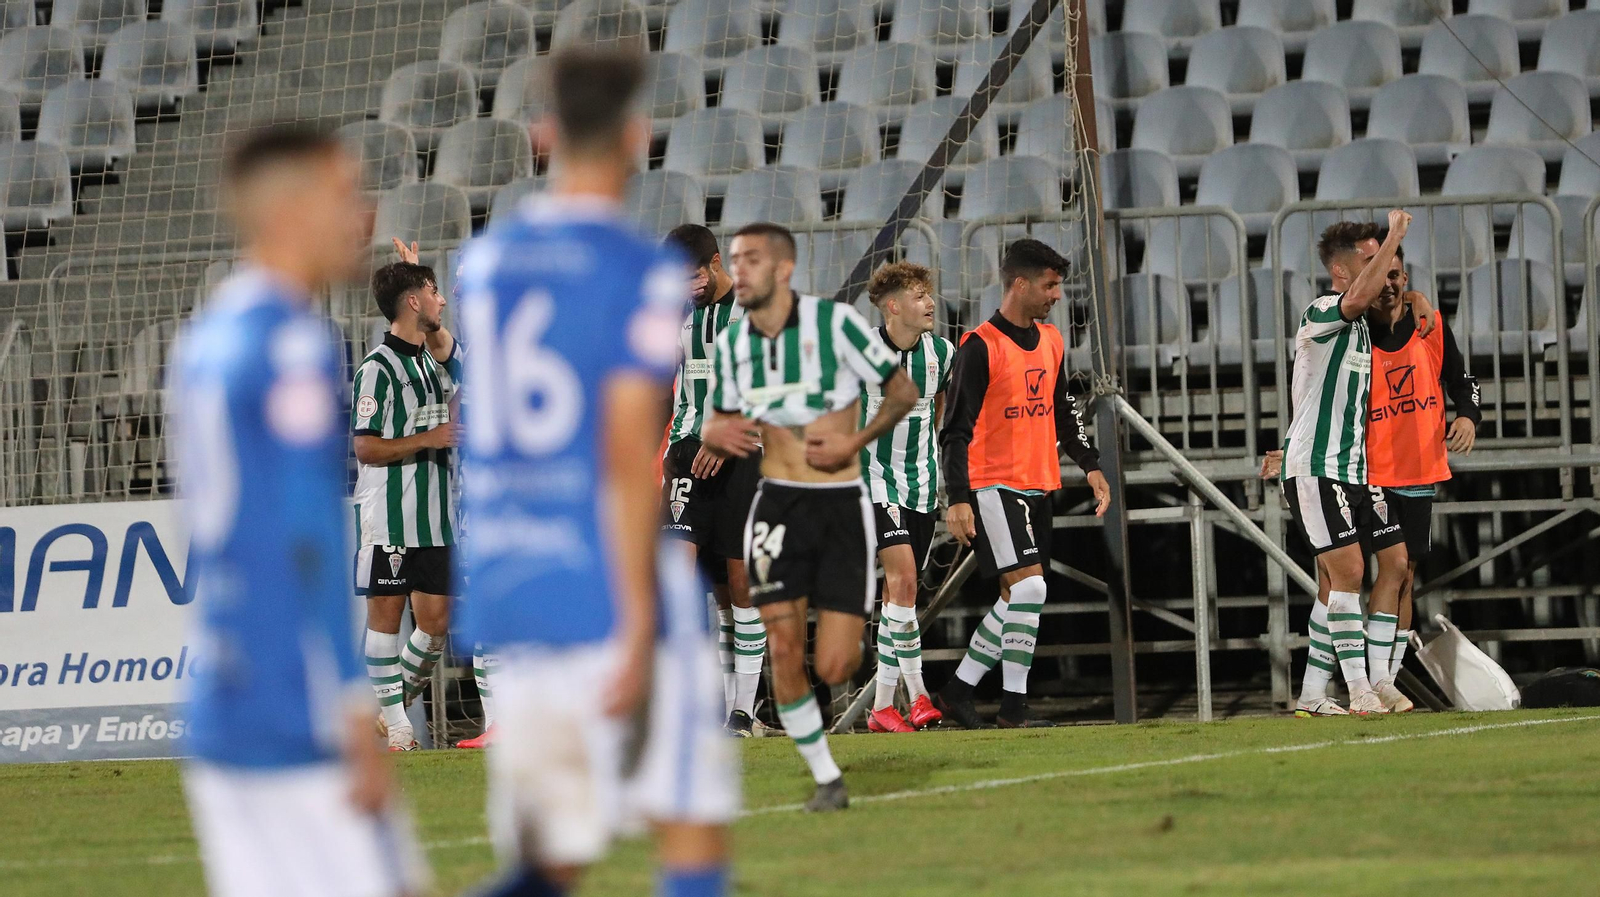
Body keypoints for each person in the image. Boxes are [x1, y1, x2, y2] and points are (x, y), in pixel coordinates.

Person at [457, 46, 736, 897]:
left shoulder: (486, 267)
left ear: (543, 135)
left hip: (515, 576)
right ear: (638, 137)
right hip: (604, 575)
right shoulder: (638, 278)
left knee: (554, 855)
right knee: (688, 821)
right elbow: (624, 449)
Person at [172, 123, 426, 897]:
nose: (365, 212)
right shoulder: (289, 345)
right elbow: (301, 537)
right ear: (289, 210)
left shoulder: (208, 339)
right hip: (291, 698)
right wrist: (353, 706)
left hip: (223, 695)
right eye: (344, 194)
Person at [701, 222, 917, 812]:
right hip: (775, 504)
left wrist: (856, 442)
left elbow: (901, 392)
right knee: (783, 644)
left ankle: (824, 713)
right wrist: (721, 436)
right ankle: (827, 776)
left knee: (836, 661)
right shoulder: (733, 346)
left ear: (784, 270)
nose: (738, 272)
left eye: (750, 261)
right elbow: (714, 428)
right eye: (735, 261)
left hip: (841, 506)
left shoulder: (838, 326)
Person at [1264, 242, 1478, 714]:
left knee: (1395, 572)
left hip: (1405, 468)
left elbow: (1461, 377)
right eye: (1379, 271)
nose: (1387, 281)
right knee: (1350, 573)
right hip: (1362, 469)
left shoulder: (1421, 323)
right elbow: (1315, 392)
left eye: (1396, 275)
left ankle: (1347, 686)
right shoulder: (1343, 319)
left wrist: (1468, 413)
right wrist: (1291, 446)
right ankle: (1362, 685)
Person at [933, 239, 1110, 730]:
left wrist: (1089, 463)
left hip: (1038, 484)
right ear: (1020, 283)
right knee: (1030, 588)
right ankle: (1014, 708)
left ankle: (958, 690)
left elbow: (1060, 409)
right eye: (1050, 285)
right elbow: (954, 431)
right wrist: (959, 498)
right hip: (993, 485)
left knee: (1017, 597)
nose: (1058, 294)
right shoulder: (979, 345)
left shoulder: (1052, 340)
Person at [1277, 215, 1412, 717]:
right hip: (1317, 465)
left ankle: (1314, 693)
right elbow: (1357, 299)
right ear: (1340, 268)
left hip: (1354, 470)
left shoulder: (1362, 330)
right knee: (1350, 570)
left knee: (1353, 575)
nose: (1381, 265)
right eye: (1370, 257)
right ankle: (1359, 689)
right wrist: (1395, 237)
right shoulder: (1324, 310)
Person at [351, 241, 464, 751]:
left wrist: (416, 275)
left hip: (436, 516)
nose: (441, 299)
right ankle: (398, 727)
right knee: (386, 618)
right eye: (433, 291)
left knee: (436, 625)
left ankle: (386, 707)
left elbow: (447, 347)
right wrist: (426, 439)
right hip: (390, 515)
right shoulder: (377, 369)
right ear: (413, 302)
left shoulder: (429, 361)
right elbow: (365, 447)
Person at [660, 223, 767, 737]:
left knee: (737, 587)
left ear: (716, 262)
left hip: (742, 453)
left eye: (693, 276)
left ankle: (741, 710)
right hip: (686, 453)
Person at [859, 262, 955, 734]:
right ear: (893, 306)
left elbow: (941, 407)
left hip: (922, 484)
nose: (930, 303)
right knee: (905, 582)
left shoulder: (942, 353)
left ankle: (881, 708)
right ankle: (918, 697)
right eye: (919, 296)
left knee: (899, 596)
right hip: (875, 480)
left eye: (929, 294)